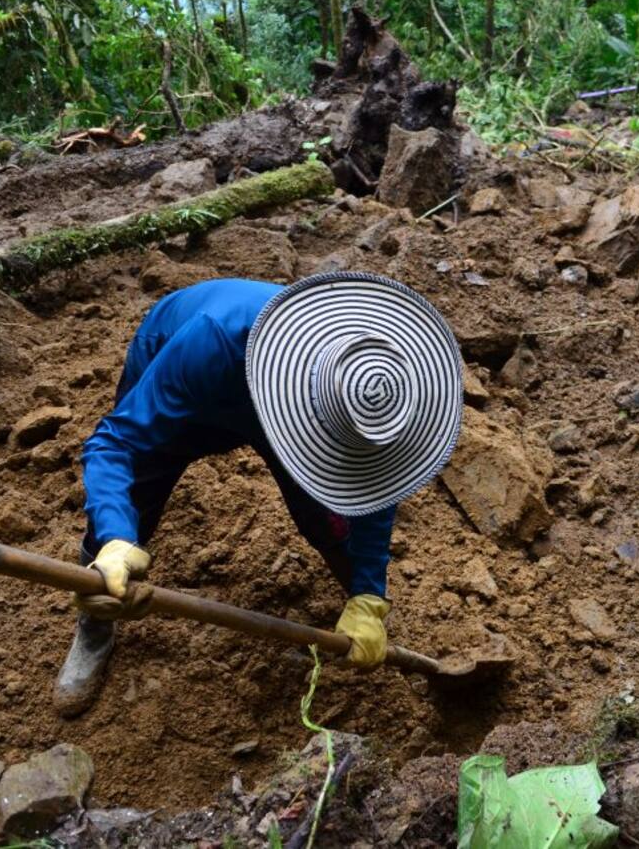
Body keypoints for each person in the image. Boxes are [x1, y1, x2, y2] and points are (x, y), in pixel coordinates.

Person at [54, 272, 464, 717]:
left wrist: (369, 591)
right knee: (133, 498)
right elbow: (117, 444)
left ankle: (361, 606)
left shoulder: (383, 388)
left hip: (291, 405)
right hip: (194, 384)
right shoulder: (210, 341)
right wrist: (115, 535)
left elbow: (374, 488)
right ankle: (96, 622)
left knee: (329, 516)